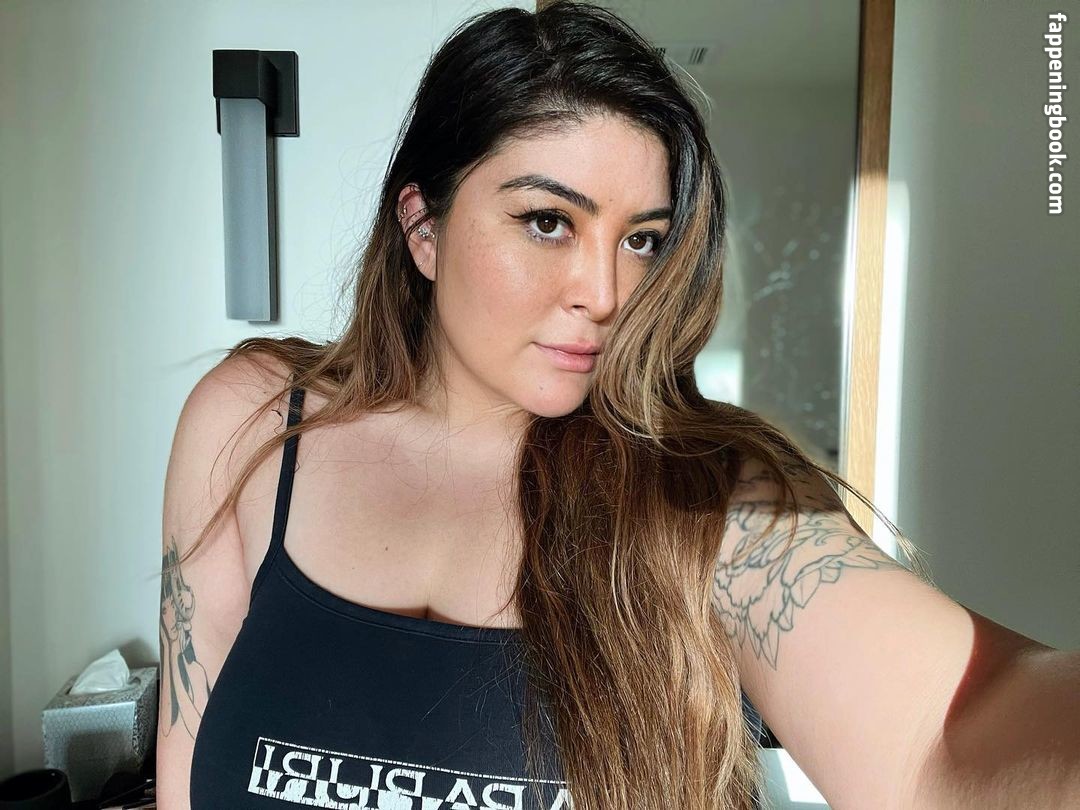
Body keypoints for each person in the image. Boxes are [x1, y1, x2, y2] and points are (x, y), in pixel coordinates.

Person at [156, 2, 1080, 808]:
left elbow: (941, 734)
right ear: (423, 228)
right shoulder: (252, 425)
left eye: (640, 240)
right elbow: (184, 771)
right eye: (547, 222)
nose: (605, 293)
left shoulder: (709, 500)